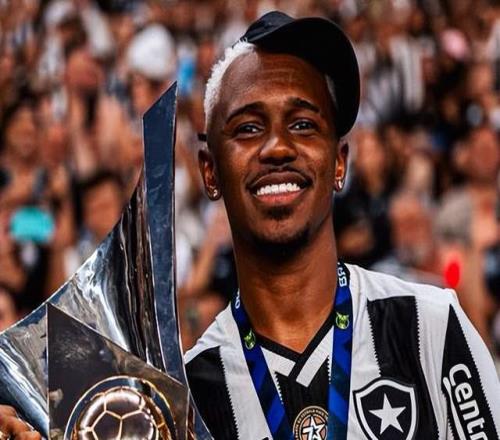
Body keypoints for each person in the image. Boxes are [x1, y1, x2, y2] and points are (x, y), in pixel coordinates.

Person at [1, 10, 499, 440]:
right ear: (210, 172)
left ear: (339, 162)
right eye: (248, 128)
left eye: (303, 124)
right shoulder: (184, 400)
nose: (277, 147)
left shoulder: (429, 327)